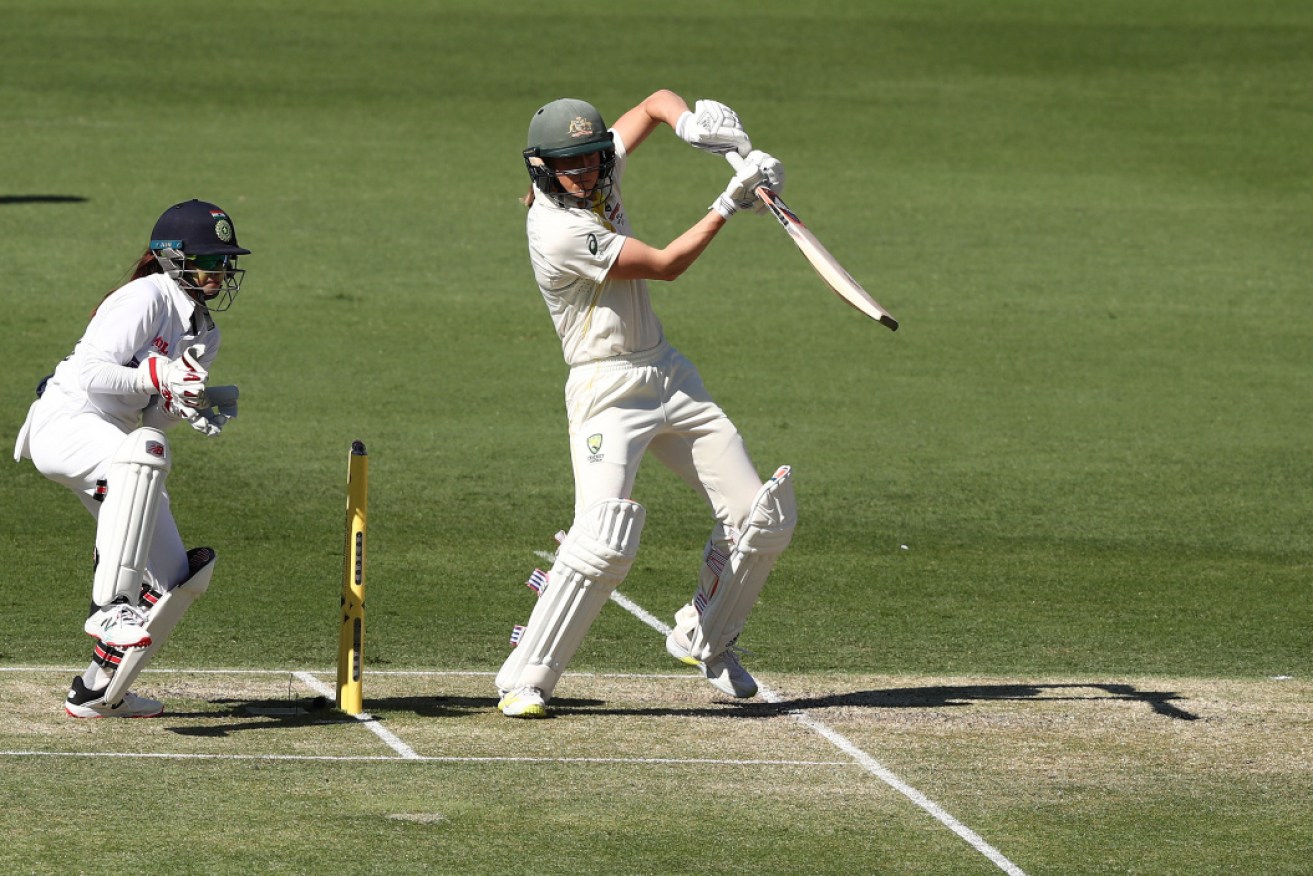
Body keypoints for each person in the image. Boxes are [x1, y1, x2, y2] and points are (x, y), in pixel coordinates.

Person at [495, 92, 798, 718]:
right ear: (542, 167)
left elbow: (657, 102)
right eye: (568, 164)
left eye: (592, 159)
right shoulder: (559, 229)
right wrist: (728, 200)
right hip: (606, 390)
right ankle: (527, 677)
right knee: (604, 538)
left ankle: (706, 638)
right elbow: (664, 265)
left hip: (666, 371)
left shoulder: (598, 174)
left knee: (761, 518)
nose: (584, 173)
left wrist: (694, 129)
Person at [13, 199, 249, 718]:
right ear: (172, 258)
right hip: (66, 423)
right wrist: (158, 378)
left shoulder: (205, 332)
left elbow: (153, 417)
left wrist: (188, 404)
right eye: (209, 259)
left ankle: (99, 691)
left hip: (116, 447)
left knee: (177, 579)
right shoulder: (144, 297)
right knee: (144, 454)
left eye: (225, 261)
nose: (220, 271)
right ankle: (109, 607)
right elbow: (93, 374)